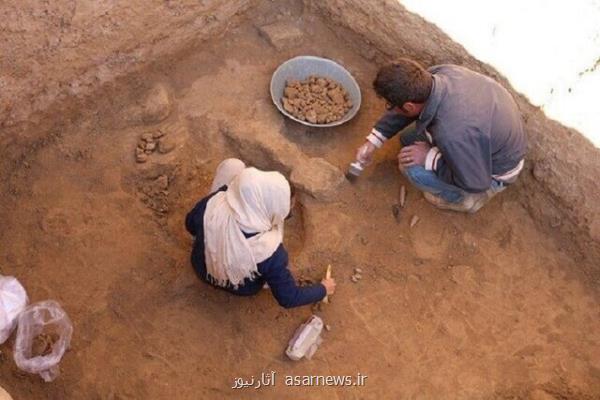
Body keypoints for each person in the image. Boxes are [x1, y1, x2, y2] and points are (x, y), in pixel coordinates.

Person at [355, 58, 527, 213]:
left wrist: (429, 157)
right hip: (482, 135)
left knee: (411, 168)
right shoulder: (440, 74)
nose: (389, 107)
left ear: (408, 107)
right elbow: (407, 107)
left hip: (490, 172)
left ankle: (465, 201)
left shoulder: (451, 134)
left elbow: (477, 181)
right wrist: (373, 141)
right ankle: (443, 159)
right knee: (407, 139)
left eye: (390, 104)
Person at [185, 158, 336, 308]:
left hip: (200, 265)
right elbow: (289, 298)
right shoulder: (269, 251)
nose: (289, 210)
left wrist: (214, 232)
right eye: (287, 207)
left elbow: (190, 225)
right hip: (242, 287)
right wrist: (323, 289)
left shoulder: (213, 204)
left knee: (233, 166)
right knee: (276, 231)